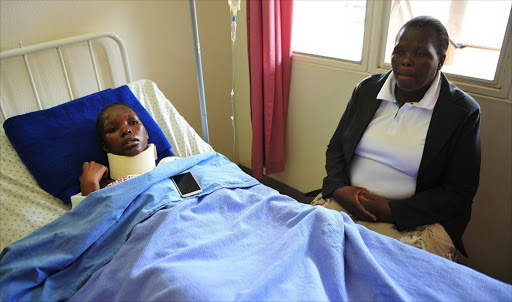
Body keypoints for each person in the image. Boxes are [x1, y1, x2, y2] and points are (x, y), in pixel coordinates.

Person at [315, 16, 481, 260]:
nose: (406, 61)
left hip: (416, 219)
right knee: (307, 252)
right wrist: (340, 189)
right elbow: (337, 147)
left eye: (420, 54)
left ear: (440, 61)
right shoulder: (367, 90)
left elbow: (459, 192)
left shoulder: (462, 111)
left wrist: (393, 210)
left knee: (395, 281)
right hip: (347, 201)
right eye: (399, 51)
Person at [75, 103, 177, 205]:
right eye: (113, 129)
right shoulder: (99, 190)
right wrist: (89, 184)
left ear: (146, 132)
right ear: (105, 146)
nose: (126, 130)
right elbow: (89, 220)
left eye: (133, 122)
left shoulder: (173, 164)